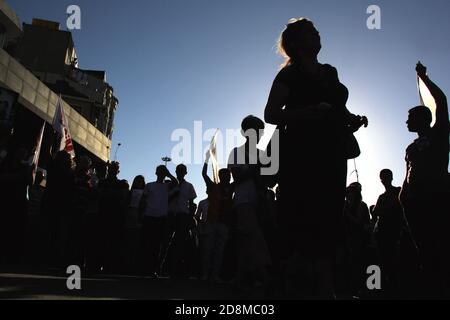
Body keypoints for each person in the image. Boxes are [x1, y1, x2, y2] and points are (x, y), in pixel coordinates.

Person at [264, 18, 368, 298]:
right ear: (296, 43)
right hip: (300, 152)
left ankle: (325, 288)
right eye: (310, 31)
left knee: (328, 215)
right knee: (301, 213)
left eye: (316, 30)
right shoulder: (289, 75)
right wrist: (307, 113)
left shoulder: (330, 71)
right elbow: (271, 113)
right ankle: (293, 284)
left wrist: (352, 119)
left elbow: (338, 108)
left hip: (331, 151)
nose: (317, 33)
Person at [399, 62, 449, 298]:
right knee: (424, 252)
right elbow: (408, 174)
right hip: (415, 205)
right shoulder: (410, 147)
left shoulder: (439, 132)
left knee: (442, 248)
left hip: (438, 197)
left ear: (422, 118)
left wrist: (424, 78)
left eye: (410, 117)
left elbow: (441, 101)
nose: (406, 121)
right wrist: (404, 197)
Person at [227, 115, 272, 292]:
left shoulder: (263, 154)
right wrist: (256, 167)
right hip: (244, 201)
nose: (259, 134)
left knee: (246, 240)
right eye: (254, 129)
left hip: (260, 202)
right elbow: (237, 177)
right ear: (245, 132)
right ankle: (265, 277)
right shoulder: (236, 152)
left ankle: (241, 278)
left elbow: (269, 182)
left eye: (260, 131)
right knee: (254, 237)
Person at [199, 151, 234, 282]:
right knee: (208, 249)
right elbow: (203, 174)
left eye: (230, 175)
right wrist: (207, 160)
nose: (229, 177)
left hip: (224, 223)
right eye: (227, 175)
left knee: (219, 251)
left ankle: (214, 274)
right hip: (212, 222)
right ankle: (205, 273)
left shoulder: (232, 188)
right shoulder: (213, 186)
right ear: (221, 176)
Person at [139, 166, 177, 277]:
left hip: (161, 218)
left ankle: (153, 269)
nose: (161, 173)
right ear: (156, 172)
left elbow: (176, 182)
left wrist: (169, 174)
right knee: (147, 243)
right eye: (160, 171)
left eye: (163, 172)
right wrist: (140, 215)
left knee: (157, 245)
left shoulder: (167, 186)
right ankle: (144, 268)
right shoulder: (149, 185)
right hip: (149, 216)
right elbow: (143, 200)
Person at [372, 169, 403, 296]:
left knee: (392, 263)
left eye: (385, 177)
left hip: (393, 234)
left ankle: (392, 290)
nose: (383, 179)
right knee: (383, 263)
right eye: (382, 177)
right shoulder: (385, 196)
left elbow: (377, 212)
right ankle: (385, 290)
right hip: (383, 235)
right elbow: (376, 213)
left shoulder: (398, 192)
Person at [97, 161, 129, 273]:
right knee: (101, 241)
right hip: (103, 215)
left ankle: (109, 265)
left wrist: (108, 193)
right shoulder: (103, 182)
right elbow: (99, 193)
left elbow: (123, 196)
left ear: (118, 171)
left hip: (115, 217)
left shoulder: (122, 183)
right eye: (111, 168)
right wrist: (114, 193)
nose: (112, 170)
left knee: (112, 242)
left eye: (114, 168)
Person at [169, 164, 197, 278]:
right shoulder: (169, 185)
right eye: (178, 170)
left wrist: (190, 218)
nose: (180, 172)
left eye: (182, 171)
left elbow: (192, 203)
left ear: (185, 172)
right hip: (170, 215)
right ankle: (166, 268)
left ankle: (179, 269)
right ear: (175, 172)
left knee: (181, 243)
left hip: (183, 216)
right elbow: (164, 199)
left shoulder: (189, 186)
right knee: (167, 242)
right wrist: (173, 194)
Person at [343, 182, 371, 297]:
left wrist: (347, 214)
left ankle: (360, 288)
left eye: (349, 192)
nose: (347, 195)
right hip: (348, 238)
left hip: (358, 238)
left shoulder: (361, 205)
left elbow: (360, 223)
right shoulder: (346, 205)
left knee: (357, 264)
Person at [124, 175, 145, 273]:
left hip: (138, 215)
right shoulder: (130, 192)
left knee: (136, 241)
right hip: (130, 214)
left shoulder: (144, 193)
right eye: (137, 181)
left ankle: (133, 264)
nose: (139, 183)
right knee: (128, 240)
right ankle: (127, 263)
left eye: (141, 181)